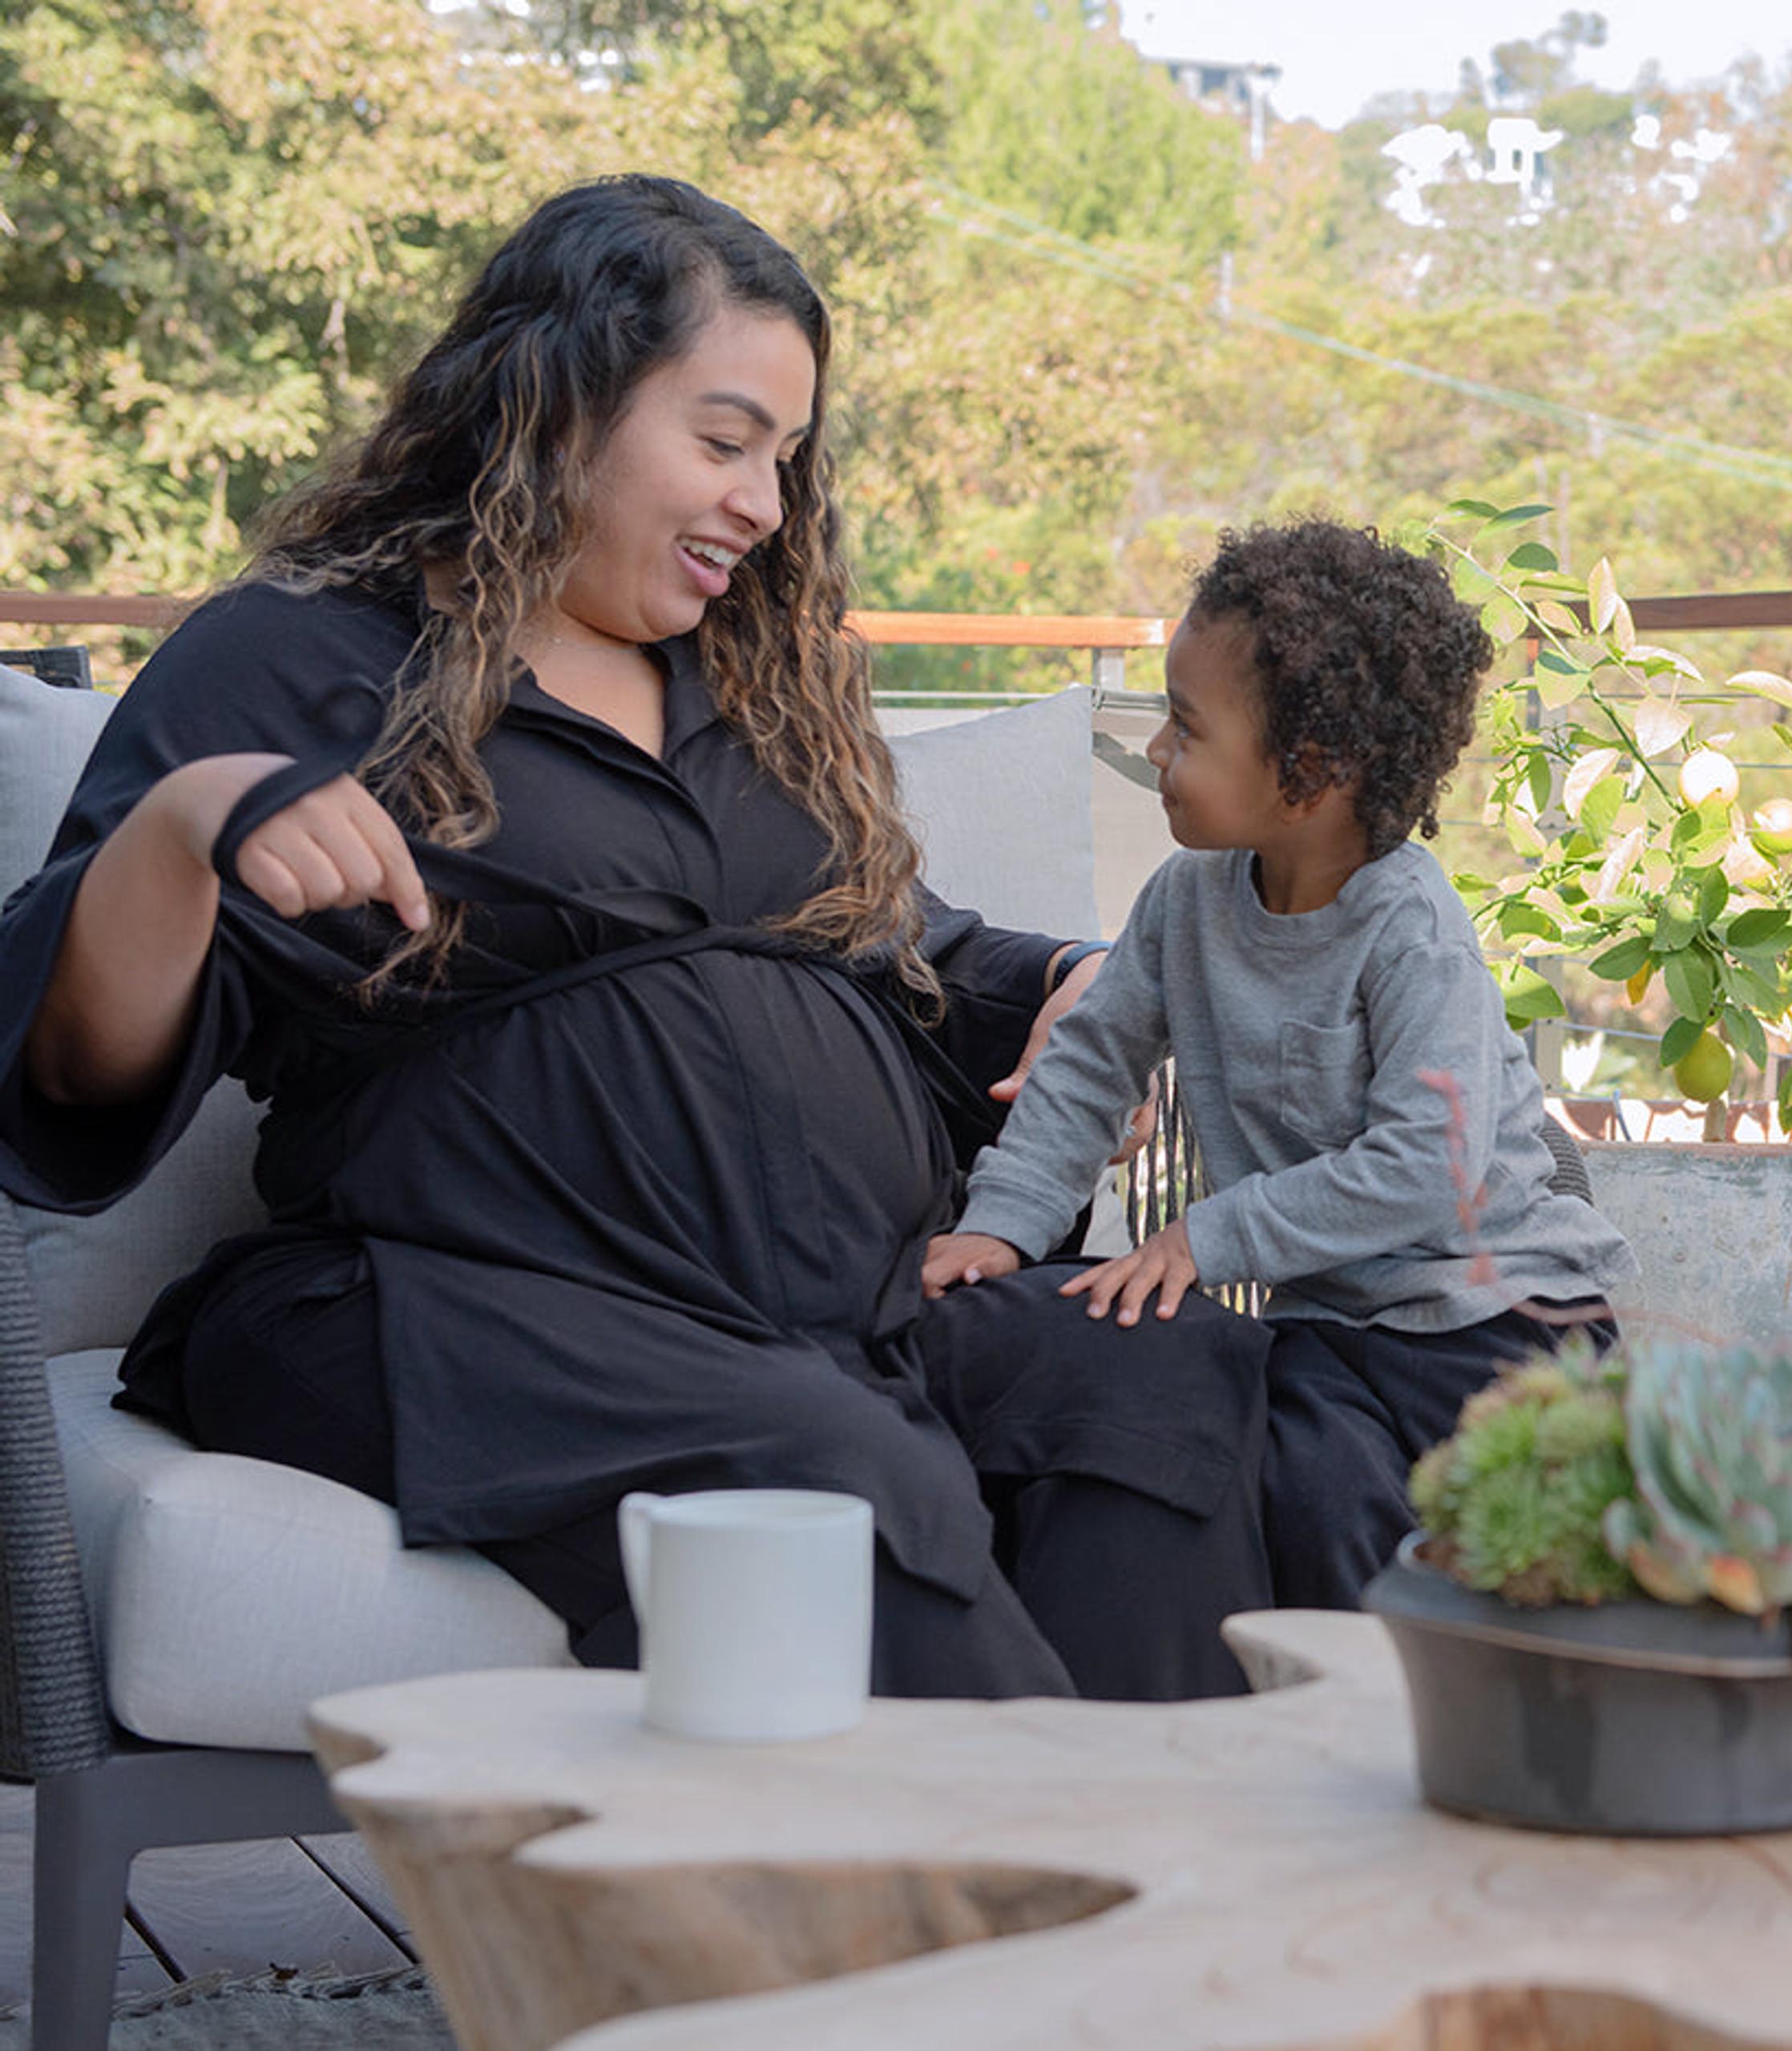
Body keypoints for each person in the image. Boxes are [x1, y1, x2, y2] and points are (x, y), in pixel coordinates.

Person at [0, 176, 1280, 1702]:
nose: (766, 501)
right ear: (554, 399)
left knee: (1147, 1371)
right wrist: (184, 827)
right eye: (724, 440)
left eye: (789, 460)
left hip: (834, 1312)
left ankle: (1166, 1870)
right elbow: (65, 1078)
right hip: (460, 1301)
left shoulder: (761, 688)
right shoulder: (309, 653)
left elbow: (901, 948)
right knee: (824, 1473)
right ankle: (1026, 1899)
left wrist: (1070, 984)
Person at [922, 519, 1635, 1608]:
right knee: (1308, 1499)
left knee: (1525, 1548)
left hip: (1498, 1318)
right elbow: (1087, 1066)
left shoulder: (1410, 930)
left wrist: (1210, 1236)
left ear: (1312, 771)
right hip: (1331, 1324)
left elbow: (1425, 1168)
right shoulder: (1182, 903)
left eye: (1184, 727)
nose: (1155, 751)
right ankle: (1339, 1711)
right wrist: (1001, 1223)